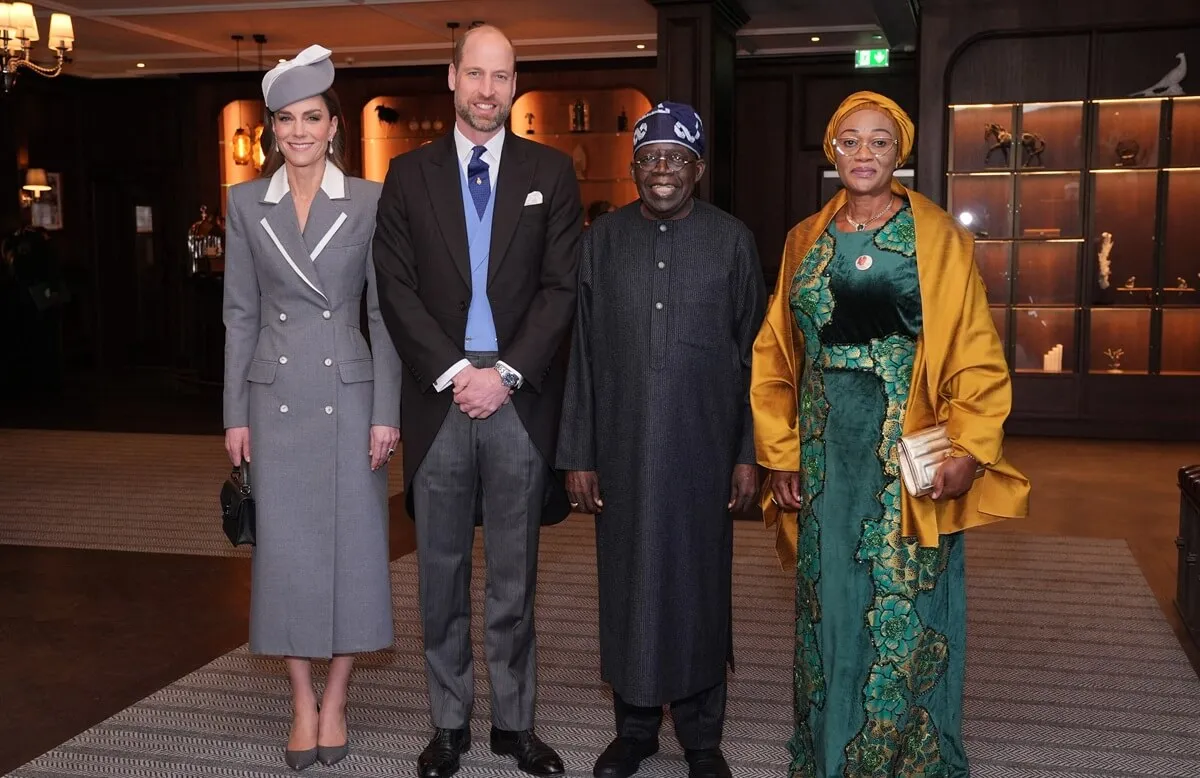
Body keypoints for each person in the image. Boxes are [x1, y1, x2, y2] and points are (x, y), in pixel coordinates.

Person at [750, 91, 1030, 777]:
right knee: (830, 610)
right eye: (851, 140)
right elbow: (776, 352)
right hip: (822, 458)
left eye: (879, 141)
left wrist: (968, 445)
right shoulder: (802, 239)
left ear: (899, 153)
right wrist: (781, 452)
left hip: (906, 457)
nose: (864, 153)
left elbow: (973, 348)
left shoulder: (935, 237)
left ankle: (901, 761)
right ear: (832, 151)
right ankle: (826, 756)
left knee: (901, 609)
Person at [371, 24, 582, 778]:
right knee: (440, 574)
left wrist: (507, 374)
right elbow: (394, 289)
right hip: (440, 396)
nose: (488, 91)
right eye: (476, 75)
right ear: (452, 78)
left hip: (518, 398)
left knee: (516, 578)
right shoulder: (407, 174)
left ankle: (516, 726)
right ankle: (450, 725)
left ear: (515, 83)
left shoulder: (551, 173)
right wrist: (458, 373)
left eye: (502, 77)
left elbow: (562, 290)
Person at [556, 101, 767, 778]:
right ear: (634, 168)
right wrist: (579, 453)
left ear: (698, 169)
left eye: (677, 159)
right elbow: (581, 355)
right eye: (650, 159)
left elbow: (757, 358)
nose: (663, 171)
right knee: (628, 587)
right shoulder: (602, 241)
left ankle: (703, 737)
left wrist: (747, 452)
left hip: (705, 454)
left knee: (700, 588)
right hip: (620, 453)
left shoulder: (732, 241)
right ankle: (636, 729)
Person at [221, 44, 403, 772]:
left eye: (313, 117)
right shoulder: (245, 204)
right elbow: (239, 313)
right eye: (286, 119)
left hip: (350, 394)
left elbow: (386, 315)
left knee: (355, 554)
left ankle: (338, 697)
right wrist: (234, 412)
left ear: (335, 126)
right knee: (286, 557)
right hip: (274, 397)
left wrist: (386, 410)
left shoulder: (369, 199)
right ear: (272, 129)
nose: (299, 131)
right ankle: (301, 701)